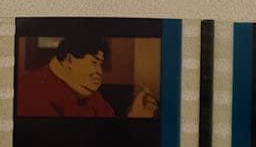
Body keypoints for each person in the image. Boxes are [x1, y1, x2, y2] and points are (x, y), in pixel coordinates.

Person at [17, 30, 159, 118]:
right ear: (69, 60)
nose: (99, 71)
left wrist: (137, 116)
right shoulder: (31, 89)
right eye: (93, 62)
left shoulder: (89, 92)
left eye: (100, 64)